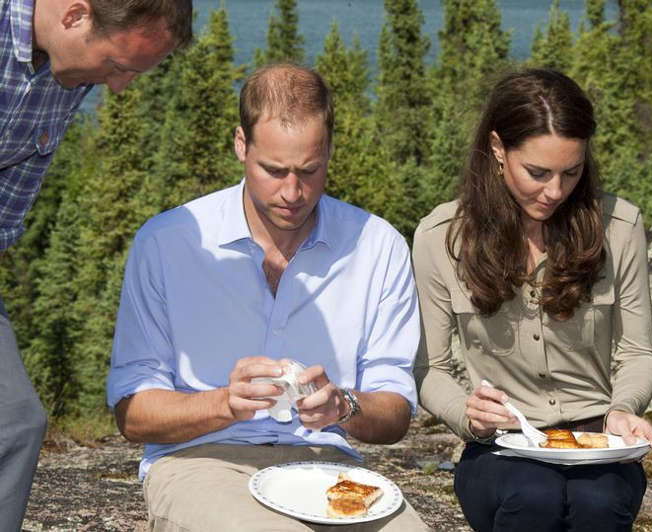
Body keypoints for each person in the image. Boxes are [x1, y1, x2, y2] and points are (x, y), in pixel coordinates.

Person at [106, 64, 429, 532]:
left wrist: (344, 407)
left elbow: (395, 410)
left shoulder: (378, 245)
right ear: (241, 145)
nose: (293, 193)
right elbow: (132, 413)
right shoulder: (167, 242)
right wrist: (223, 404)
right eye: (273, 171)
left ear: (330, 151)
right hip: (200, 458)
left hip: (328, 461)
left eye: (310, 171)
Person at [412, 68, 652, 532]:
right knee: (532, 497)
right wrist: (469, 416)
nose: (555, 191)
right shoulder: (439, 237)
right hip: (499, 444)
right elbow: (431, 369)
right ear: (498, 149)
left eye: (572, 172)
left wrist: (623, 409)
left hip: (597, 439)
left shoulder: (621, 227)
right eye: (538, 173)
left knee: (600, 502)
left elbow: (638, 353)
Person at [0, 1, 191, 529]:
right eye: (117, 66)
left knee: (14, 424)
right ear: (74, 15)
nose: (120, 87)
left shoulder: (66, 64)